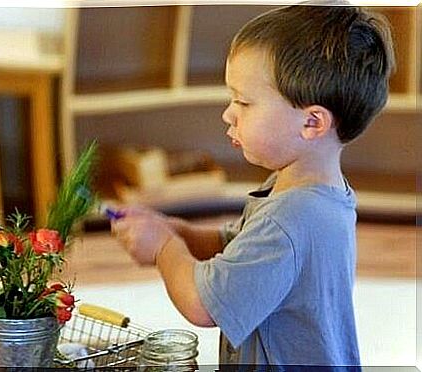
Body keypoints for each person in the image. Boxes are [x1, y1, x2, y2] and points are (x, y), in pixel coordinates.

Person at [111, 2, 394, 370]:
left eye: (243, 101)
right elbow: (240, 247)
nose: (228, 113)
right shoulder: (311, 192)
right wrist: (175, 229)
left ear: (312, 123)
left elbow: (202, 304)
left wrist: (164, 248)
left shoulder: (289, 219)